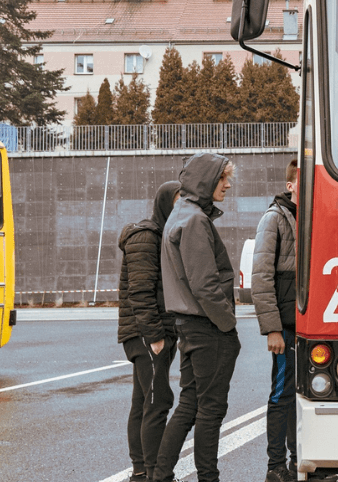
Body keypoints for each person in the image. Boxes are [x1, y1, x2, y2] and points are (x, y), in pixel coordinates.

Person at [153, 153, 239, 482]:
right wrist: (228, 324)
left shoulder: (180, 214)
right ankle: (208, 477)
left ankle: (160, 475)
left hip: (188, 325)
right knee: (211, 409)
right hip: (207, 327)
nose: (227, 185)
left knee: (190, 403)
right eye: (221, 179)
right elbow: (205, 285)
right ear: (205, 180)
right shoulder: (195, 221)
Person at [117, 180, 181, 482]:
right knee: (158, 401)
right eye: (179, 200)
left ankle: (142, 471)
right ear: (165, 202)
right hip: (147, 334)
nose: (183, 206)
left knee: (143, 401)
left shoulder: (164, 235)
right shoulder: (146, 237)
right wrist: (154, 336)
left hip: (154, 332)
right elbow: (140, 292)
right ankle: (155, 474)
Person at [252, 159, 300, 482]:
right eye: (302, 180)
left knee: (301, 395)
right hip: (284, 324)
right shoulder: (274, 219)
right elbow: (261, 277)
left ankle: (301, 462)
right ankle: (275, 466)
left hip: (306, 323)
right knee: (281, 393)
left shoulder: (309, 218)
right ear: (290, 185)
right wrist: (272, 328)